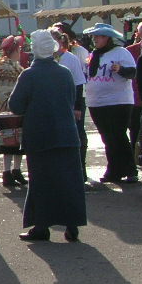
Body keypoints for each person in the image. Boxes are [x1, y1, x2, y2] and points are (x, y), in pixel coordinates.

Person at [7, 30, 86, 242]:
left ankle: (41, 227)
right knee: (69, 181)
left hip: (40, 136)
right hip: (66, 134)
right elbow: (71, 100)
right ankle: (72, 226)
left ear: (34, 50)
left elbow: (15, 105)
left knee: (41, 182)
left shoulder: (29, 75)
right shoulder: (65, 72)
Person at [84, 22, 138, 183]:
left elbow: (132, 73)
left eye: (98, 36)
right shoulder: (93, 54)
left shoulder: (121, 52)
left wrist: (120, 69)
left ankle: (129, 169)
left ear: (107, 38)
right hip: (97, 103)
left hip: (118, 101)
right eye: (94, 37)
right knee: (107, 137)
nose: (95, 39)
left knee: (118, 135)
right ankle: (115, 169)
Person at [52, 28, 89, 183]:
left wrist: (78, 107)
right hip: (57, 105)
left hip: (73, 103)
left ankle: (81, 170)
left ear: (60, 41)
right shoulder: (49, 60)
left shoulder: (70, 58)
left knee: (78, 136)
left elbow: (79, 83)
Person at [0, 35, 27, 188]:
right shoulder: (5, 67)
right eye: (19, 48)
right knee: (8, 141)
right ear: (14, 50)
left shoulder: (15, 65)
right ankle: (7, 172)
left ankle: (16, 170)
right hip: (9, 109)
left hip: (17, 108)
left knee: (18, 141)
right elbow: (3, 90)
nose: (20, 50)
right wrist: (10, 104)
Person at [125, 20, 142, 149]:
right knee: (134, 131)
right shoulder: (129, 51)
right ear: (138, 34)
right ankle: (135, 160)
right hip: (134, 99)